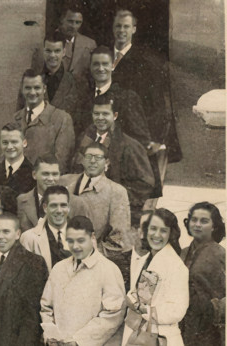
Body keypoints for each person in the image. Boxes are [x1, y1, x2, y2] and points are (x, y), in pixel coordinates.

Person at [110, 9, 181, 208]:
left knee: (142, 197)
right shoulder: (105, 58)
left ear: (134, 29)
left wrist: (154, 139)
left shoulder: (145, 61)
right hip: (114, 136)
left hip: (139, 136)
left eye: (126, 26)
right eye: (118, 26)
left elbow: (158, 104)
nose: (121, 31)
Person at [40, 216, 126, 346]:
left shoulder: (108, 270)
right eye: (70, 241)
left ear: (92, 237)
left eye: (80, 240)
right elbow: (46, 307)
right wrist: (52, 335)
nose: (75, 246)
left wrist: (78, 341)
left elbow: (113, 315)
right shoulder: (59, 268)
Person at [72, 95, 155, 226]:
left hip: (114, 212)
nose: (100, 118)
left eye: (105, 114)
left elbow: (145, 185)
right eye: (96, 114)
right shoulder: (84, 139)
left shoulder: (130, 146)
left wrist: (114, 197)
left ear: (115, 115)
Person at [0, 212, 48, 346]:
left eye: (6, 232)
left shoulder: (34, 263)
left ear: (17, 234)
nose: (0, 237)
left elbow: (33, 317)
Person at [121, 208, 189, 346]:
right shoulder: (147, 258)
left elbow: (177, 310)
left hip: (161, 337)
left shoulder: (176, 266)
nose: (156, 235)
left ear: (171, 234)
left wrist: (143, 309)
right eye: (153, 229)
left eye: (163, 231)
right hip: (138, 333)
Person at [74, 46, 150, 150]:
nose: (100, 69)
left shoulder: (126, 98)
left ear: (113, 65)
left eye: (105, 64)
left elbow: (142, 142)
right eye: (96, 64)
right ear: (90, 66)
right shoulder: (83, 97)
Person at [67, 142, 134, 255]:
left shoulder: (116, 191)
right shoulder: (67, 183)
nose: (93, 161)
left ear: (106, 162)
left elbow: (119, 238)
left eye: (98, 157)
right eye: (88, 157)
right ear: (82, 160)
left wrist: (94, 254)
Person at [180, 202, 226, 346]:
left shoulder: (220, 254)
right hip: (181, 325)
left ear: (214, 226)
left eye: (204, 221)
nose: (197, 225)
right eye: (194, 220)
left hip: (208, 330)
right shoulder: (183, 252)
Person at [13, 69, 75, 169]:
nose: (32, 93)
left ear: (44, 89)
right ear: (22, 90)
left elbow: (61, 164)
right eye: (28, 88)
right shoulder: (16, 119)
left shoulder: (62, 119)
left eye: (37, 88)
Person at [19, 185, 73, 271]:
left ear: (68, 208)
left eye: (63, 205)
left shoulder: (82, 236)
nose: (59, 210)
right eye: (53, 206)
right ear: (45, 208)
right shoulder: (29, 238)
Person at [0, 122, 37, 195]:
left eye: (14, 142)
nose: (9, 147)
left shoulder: (34, 174)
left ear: (24, 143)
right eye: (5, 142)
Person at [17, 154, 62, 230]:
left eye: (55, 174)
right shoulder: (21, 201)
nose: (51, 179)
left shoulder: (72, 202)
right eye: (45, 174)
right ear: (34, 175)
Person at [56, 5, 97, 87]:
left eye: (78, 22)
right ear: (62, 20)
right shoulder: (49, 42)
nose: (74, 26)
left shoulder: (90, 44)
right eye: (70, 21)